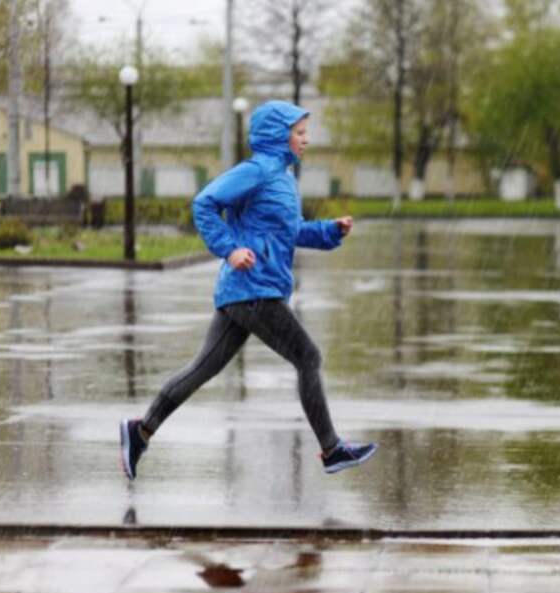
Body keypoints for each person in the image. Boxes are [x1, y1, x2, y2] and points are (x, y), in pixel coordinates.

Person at [119, 100, 377, 480]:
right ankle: (331, 448)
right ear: (278, 135)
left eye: (305, 133)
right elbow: (204, 203)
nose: (306, 140)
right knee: (308, 357)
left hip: (246, 292)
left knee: (202, 369)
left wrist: (329, 231)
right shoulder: (256, 171)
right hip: (253, 288)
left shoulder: (284, 179)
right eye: (300, 133)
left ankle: (139, 432)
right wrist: (230, 249)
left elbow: (290, 231)